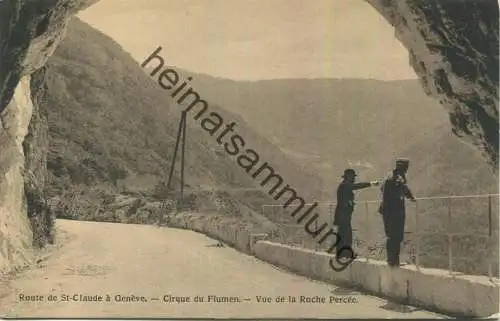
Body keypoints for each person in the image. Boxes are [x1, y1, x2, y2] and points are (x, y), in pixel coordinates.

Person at [333, 168, 379, 262]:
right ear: (348, 177)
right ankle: (345, 254)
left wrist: (350, 203)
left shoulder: (344, 186)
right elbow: (356, 186)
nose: (354, 179)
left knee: (344, 234)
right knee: (346, 234)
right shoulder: (345, 185)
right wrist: (370, 183)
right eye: (352, 177)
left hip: (343, 214)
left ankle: (343, 254)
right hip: (343, 214)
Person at [378, 158, 416, 267]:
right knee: (396, 236)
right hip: (394, 211)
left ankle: (392, 260)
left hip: (388, 210)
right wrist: (411, 197)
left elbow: (382, 188)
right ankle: (394, 262)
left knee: (391, 236)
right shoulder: (397, 178)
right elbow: (403, 188)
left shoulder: (389, 176)